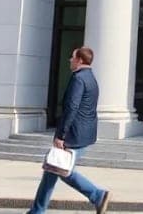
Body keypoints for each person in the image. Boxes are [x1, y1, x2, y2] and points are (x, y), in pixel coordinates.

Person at [28, 47, 111, 214]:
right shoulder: (92, 78)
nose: (69, 60)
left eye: (72, 57)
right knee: (52, 169)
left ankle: (97, 195)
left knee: (62, 170)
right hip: (84, 134)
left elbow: (72, 107)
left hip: (73, 135)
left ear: (80, 60)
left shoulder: (78, 79)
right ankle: (37, 211)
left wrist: (61, 135)